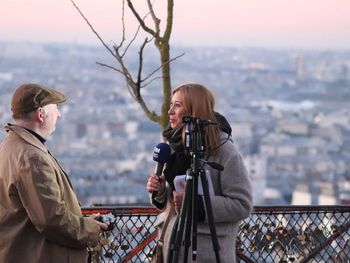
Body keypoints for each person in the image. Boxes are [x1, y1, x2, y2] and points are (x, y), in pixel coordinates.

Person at [0, 83, 107, 263]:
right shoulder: (32, 157)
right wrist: (90, 228)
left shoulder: (10, 147)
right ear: (41, 114)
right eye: (55, 109)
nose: (59, 115)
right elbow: (52, 220)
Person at [147, 83, 253, 262]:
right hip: (172, 251)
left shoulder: (224, 150)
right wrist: (160, 192)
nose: (170, 111)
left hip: (208, 254)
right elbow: (172, 201)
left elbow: (242, 204)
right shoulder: (173, 147)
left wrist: (195, 205)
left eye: (178, 105)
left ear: (194, 110)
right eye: (171, 104)